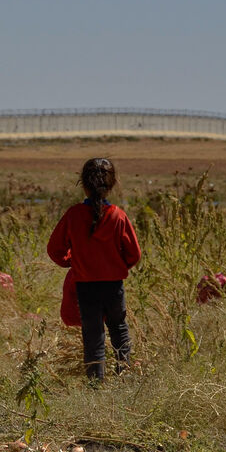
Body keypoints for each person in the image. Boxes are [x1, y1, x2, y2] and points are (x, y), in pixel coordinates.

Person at [47, 158, 141, 381]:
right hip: (113, 285)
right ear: (112, 184)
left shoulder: (73, 214)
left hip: (85, 286)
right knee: (119, 329)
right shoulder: (118, 215)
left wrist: (73, 261)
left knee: (93, 335)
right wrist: (115, 266)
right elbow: (134, 254)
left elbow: (54, 249)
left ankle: (95, 383)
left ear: (84, 184)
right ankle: (123, 376)